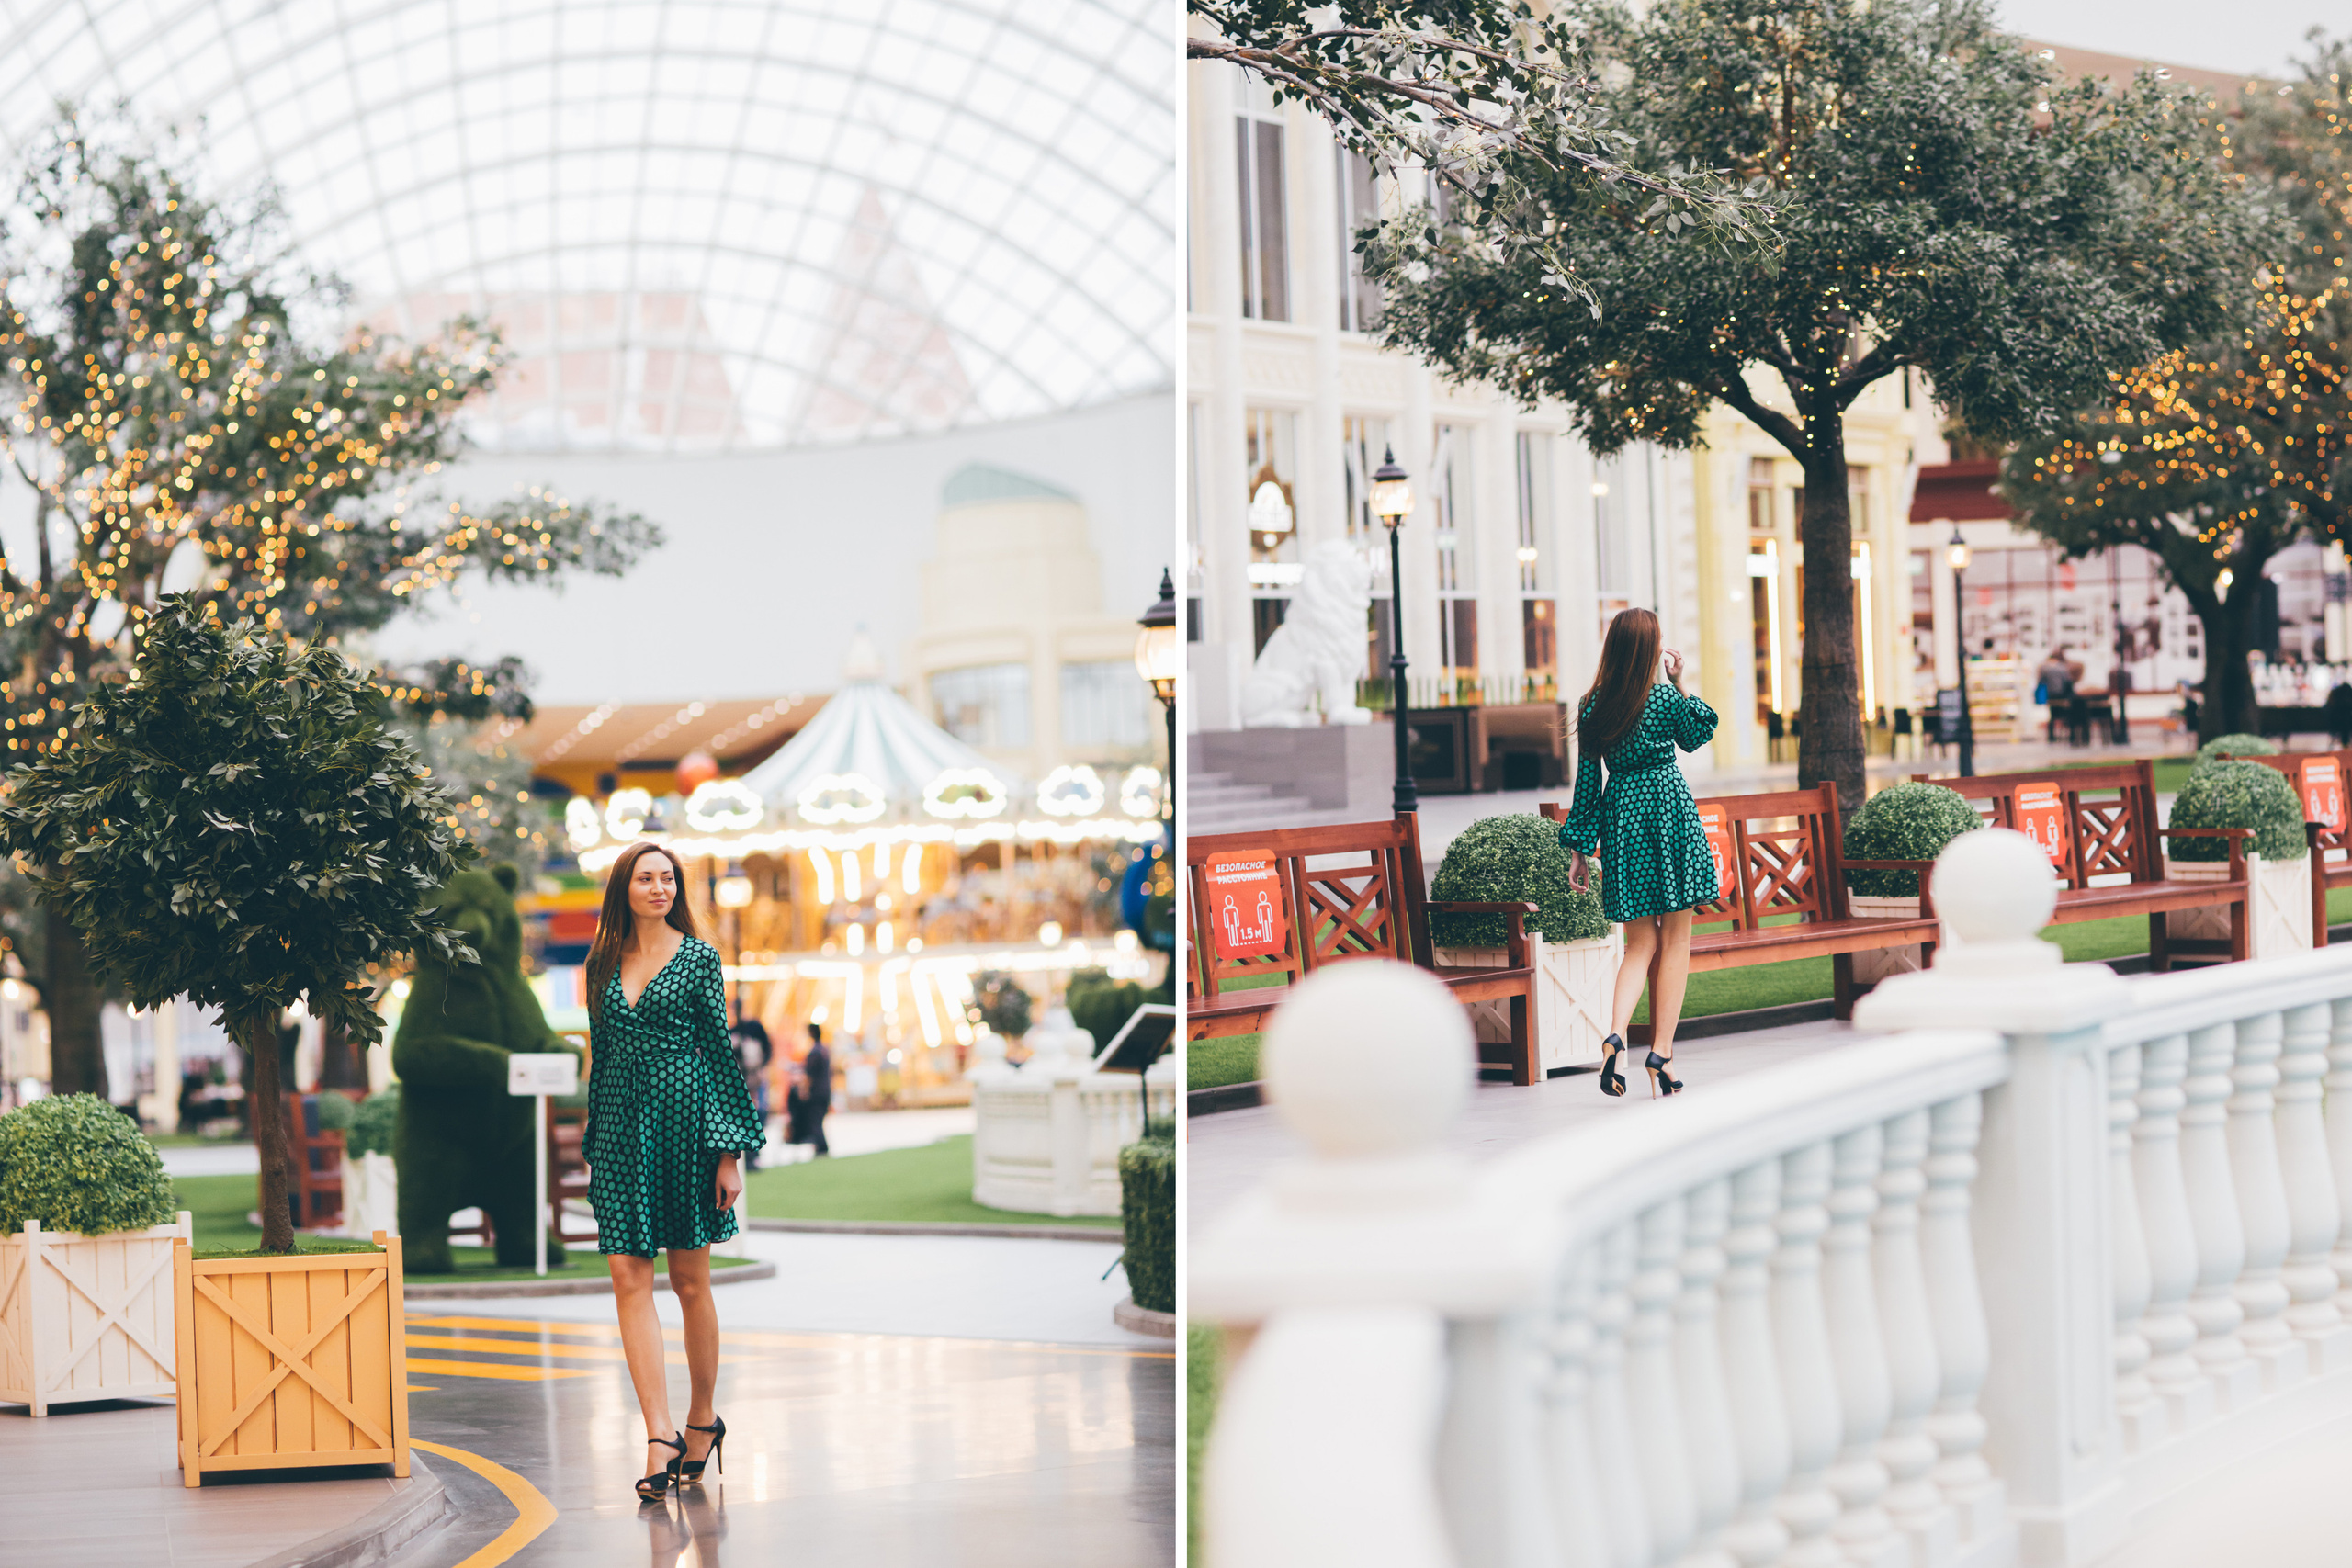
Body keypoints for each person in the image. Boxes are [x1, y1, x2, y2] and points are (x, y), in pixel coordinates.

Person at [580, 840, 765, 1503]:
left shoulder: (699, 958)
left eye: (667, 878)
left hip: (687, 1127)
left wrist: (728, 1152)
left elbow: (718, 1054)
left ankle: (700, 1417)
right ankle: (658, 1432)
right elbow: (600, 1059)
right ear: (623, 889)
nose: (658, 887)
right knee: (629, 1277)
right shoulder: (598, 963)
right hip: (622, 1132)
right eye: (645, 877)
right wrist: (596, 1141)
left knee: (689, 1279)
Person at [1555, 607, 1720, 1099]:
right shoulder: (1664, 698)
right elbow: (1701, 731)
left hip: (1622, 814)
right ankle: (1662, 1053)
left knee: (1639, 944)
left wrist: (1580, 850)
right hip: (1668, 810)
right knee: (1677, 941)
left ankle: (1615, 1036)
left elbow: (1587, 784)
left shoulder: (1591, 705)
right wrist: (1681, 682)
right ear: (1650, 651)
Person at [729, 1000, 773, 1171]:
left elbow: (767, 1048)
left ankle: (755, 1151)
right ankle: (749, 1153)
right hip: (742, 1079)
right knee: (744, 1114)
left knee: (759, 1112)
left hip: (756, 1077)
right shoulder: (733, 1031)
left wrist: (762, 1066)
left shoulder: (754, 1027)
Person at [801, 1022, 832, 1157]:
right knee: (819, 1119)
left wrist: (804, 1090)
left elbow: (810, 1074)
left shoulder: (815, 1052)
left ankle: (821, 1148)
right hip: (825, 1090)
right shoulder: (825, 1050)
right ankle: (821, 1146)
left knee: (815, 1120)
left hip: (817, 1092)